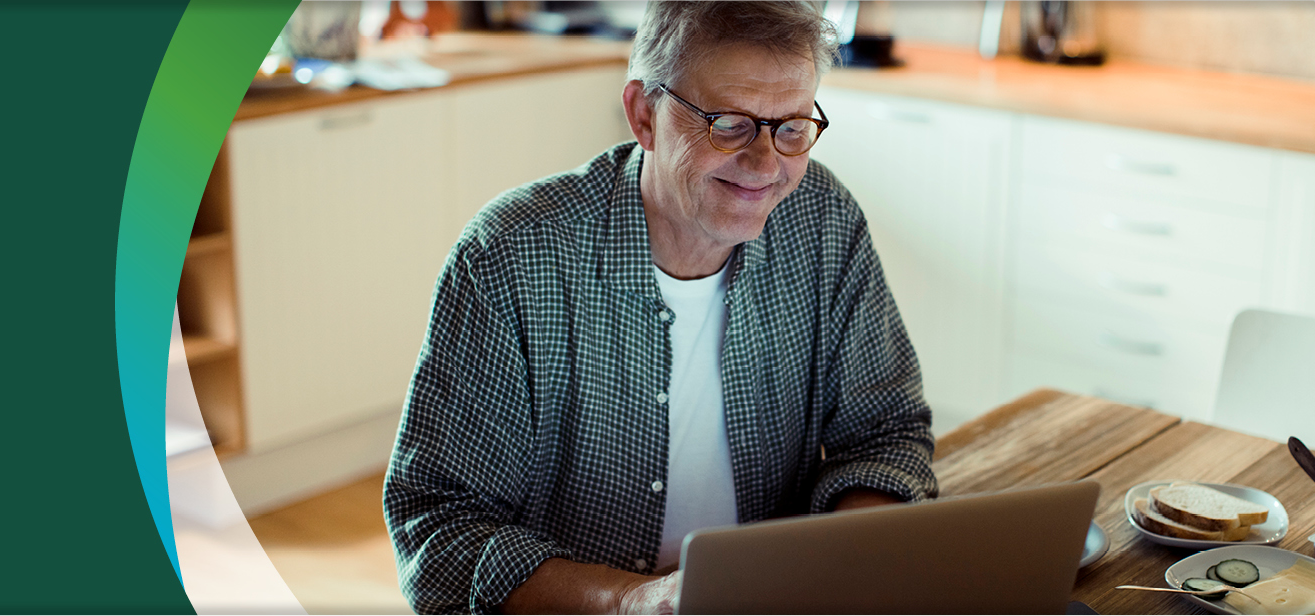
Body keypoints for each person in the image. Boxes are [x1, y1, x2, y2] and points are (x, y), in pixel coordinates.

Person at [381, 2, 940, 613]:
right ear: (644, 115)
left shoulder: (824, 221)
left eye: (791, 127)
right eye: (728, 124)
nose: (765, 164)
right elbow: (437, 532)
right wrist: (631, 602)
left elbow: (886, 433)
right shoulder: (509, 258)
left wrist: (847, 564)